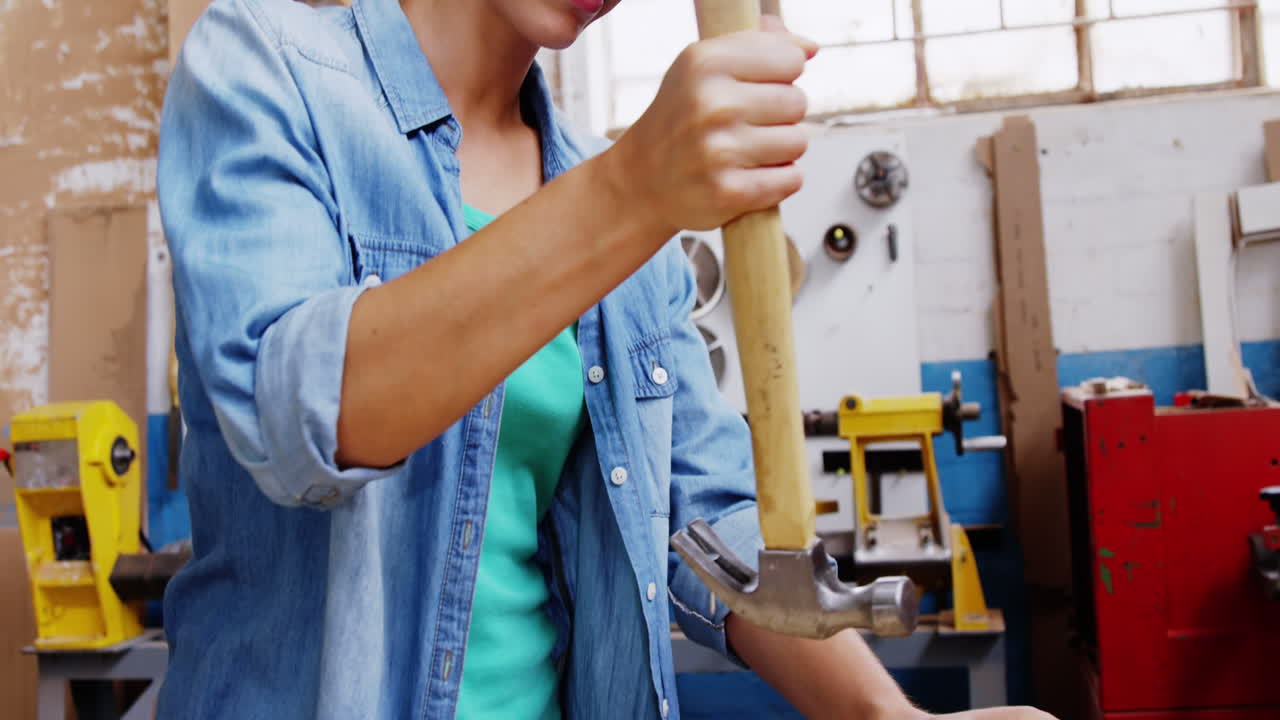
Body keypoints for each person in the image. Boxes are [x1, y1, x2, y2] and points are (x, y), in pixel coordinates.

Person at [156, 0, 1058, 718]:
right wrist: (635, 189)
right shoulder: (265, 66)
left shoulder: (616, 196)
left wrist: (882, 719)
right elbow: (305, 417)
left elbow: (704, 518)